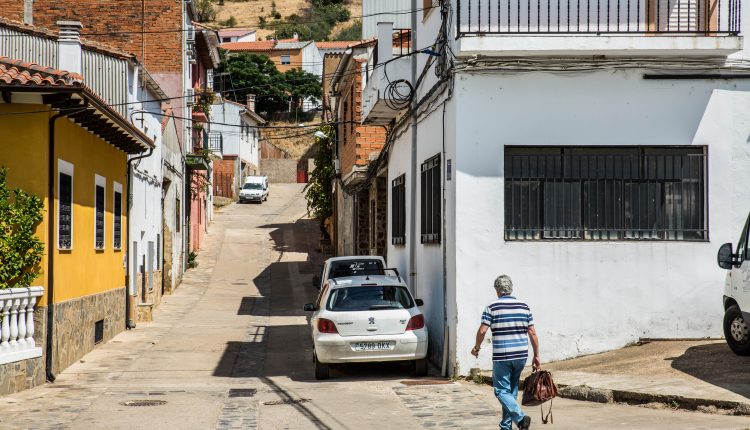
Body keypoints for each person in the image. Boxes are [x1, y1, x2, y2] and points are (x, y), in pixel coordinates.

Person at [471, 275, 540, 430]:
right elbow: (533, 333)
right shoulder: (524, 307)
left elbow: (482, 330)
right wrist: (536, 355)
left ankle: (521, 418)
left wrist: (476, 348)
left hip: (502, 356)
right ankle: (505, 426)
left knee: (501, 391)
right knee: (511, 392)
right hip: (521, 355)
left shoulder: (492, 307)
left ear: (497, 290)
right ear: (511, 288)